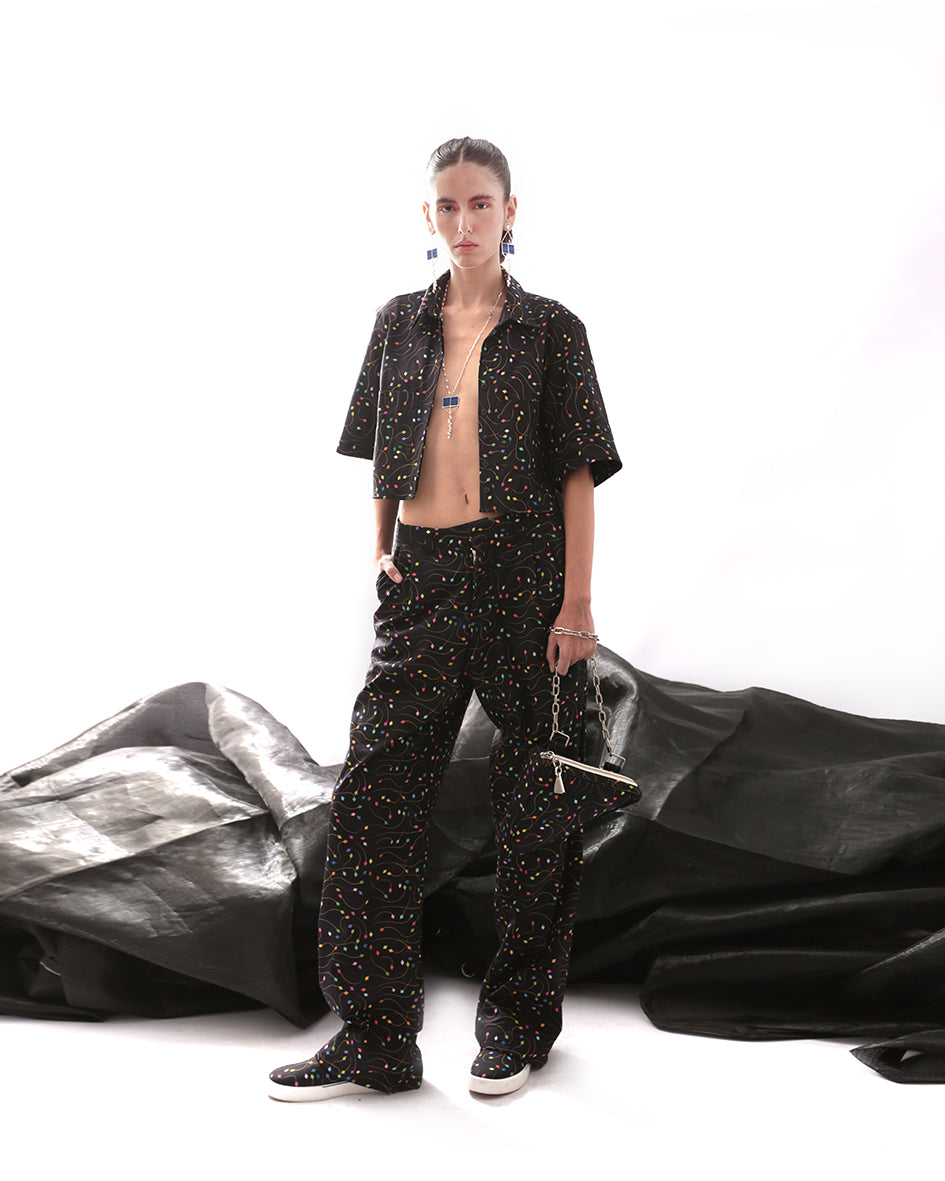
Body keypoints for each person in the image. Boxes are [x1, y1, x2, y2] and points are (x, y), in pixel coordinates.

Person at [267, 136, 622, 1101]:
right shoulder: (398, 323)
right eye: (447, 206)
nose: (463, 222)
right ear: (426, 216)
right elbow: (383, 441)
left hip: (522, 577)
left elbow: (577, 473)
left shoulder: (552, 329)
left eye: (480, 204)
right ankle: (376, 1035)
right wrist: (381, 548)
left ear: (511, 212)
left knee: (533, 804)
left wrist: (576, 604)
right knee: (374, 796)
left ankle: (519, 1023)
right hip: (421, 578)